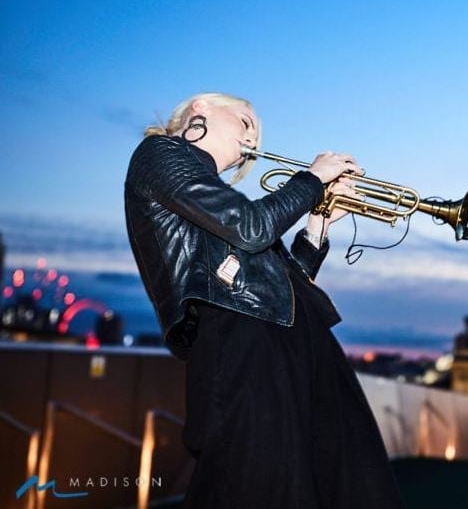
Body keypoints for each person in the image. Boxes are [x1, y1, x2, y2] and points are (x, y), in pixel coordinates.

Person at [124, 93, 405, 508]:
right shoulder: (160, 153)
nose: (252, 136)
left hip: (292, 340)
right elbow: (252, 227)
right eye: (244, 121)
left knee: (338, 479)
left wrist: (316, 226)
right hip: (244, 344)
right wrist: (311, 181)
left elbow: (279, 282)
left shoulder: (210, 197)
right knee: (257, 482)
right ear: (201, 109)